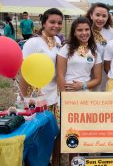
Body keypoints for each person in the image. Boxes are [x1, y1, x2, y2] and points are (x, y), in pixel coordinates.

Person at [19, 8, 63, 165]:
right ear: (43, 23)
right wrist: (24, 100)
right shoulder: (33, 42)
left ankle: (50, 160)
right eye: (52, 22)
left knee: (53, 130)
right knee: (37, 134)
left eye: (59, 23)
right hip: (36, 96)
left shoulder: (57, 41)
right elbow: (24, 72)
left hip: (53, 95)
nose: (56, 26)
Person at [56, 16, 102, 92]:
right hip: (68, 94)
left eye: (87, 29)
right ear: (74, 32)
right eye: (80, 30)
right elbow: (60, 75)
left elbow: (98, 79)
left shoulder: (95, 52)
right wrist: (64, 96)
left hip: (85, 95)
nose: (84, 33)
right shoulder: (66, 49)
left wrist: (83, 85)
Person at [86, 3, 113, 91]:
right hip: (88, 72)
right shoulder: (84, 30)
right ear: (91, 15)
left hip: (106, 72)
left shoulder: (110, 31)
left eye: (104, 16)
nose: (100, 19)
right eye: (97, 15)